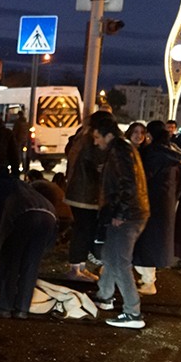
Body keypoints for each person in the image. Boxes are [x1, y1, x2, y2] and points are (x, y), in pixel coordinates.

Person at [0, 165, 58, 320]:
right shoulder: (19, 184)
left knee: (9, 262)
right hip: (49, 215)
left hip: (21, 214)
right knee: (30, 264)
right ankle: (22, 309)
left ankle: (4, 307)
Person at [91, 113, 149, 329]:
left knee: (119, 262)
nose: (95, 142)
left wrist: (121, 213)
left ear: (107, 135)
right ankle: (104, 296)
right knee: (110, 256)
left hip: (128, 215)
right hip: (131, 212)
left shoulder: (119, 150)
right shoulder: (122, 149)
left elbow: (129, 183)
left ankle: (133, 312)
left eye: (97, 137)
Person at [132, 120, 181, 295]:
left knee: (146, 243)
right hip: (165, 203)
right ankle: (147, 279)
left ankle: (148, 281)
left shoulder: (154, 153)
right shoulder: (172, 152)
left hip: (150, 202)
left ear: (150, 134)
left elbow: (143, 178)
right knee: (153, 242)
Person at [62, 116, 105, 282]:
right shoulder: (90, 141)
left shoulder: (80, 137)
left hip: (77, 192)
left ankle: (79, 266)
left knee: (82, 230)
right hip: (85, 195)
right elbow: (96, 165)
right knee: (83, 231)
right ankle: (76, 269)